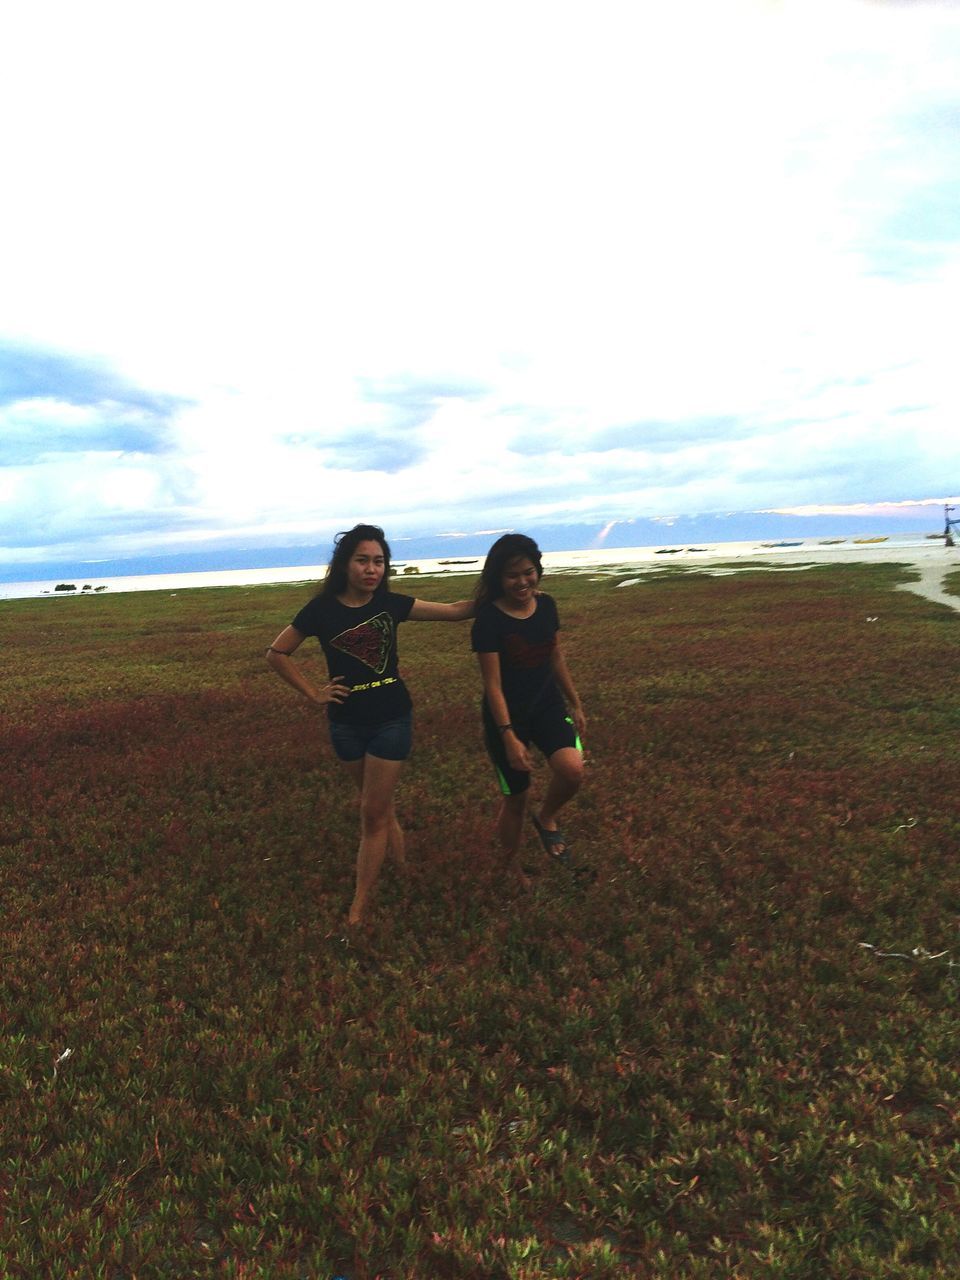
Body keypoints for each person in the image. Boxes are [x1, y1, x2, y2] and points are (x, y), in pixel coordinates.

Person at [266, 524, 473, 927]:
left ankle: (359, 907)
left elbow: (454, 612)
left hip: (391, 717)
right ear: (344, 564)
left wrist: (505, 588)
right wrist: (314, 693)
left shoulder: (391, 605)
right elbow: (276, 653)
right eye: (363, 560)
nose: (371, 569)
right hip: (344, 724)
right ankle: (402, 869)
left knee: (371, 812)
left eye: (379, 561)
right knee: (378, 805)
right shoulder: (320, 610)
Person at [471, 533, 586, 885]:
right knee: (516, 799)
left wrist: (576, 703)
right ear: (498, 578)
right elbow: (493, 685)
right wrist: (508, 737)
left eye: (528, 572)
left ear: (538, 570)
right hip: (507, 718)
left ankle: (548, 817)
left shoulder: (547, 606)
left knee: (573, 770)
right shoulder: (489, 620)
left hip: (548, 706)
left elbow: (555, 656)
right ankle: (510, 867)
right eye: (512, 575)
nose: (522, 581)